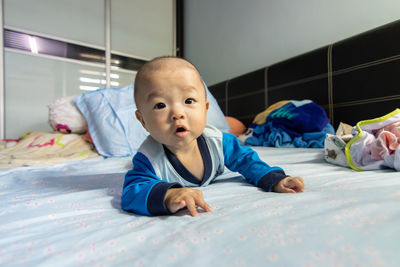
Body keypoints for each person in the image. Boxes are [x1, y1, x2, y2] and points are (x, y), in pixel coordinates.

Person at [121, 56, 304, 217]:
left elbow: (247, 161)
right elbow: (132, 191)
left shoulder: (218, 142)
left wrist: (274, 179)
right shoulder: (148, 159)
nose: (177, 113)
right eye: (160, 105)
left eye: (189, 101)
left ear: (205, 109)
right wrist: (167, 195)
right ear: (143, 120)